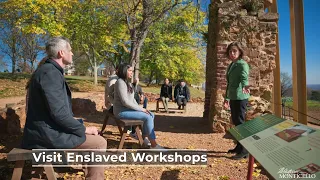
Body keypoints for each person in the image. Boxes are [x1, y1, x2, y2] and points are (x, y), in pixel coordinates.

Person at [22, 37, 107, 180]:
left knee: (90, 135)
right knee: (99, 143)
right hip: (45, 136)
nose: (72, 53)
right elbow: (59, 114)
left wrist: (78, 125)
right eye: (70, 50)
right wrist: (84, 129)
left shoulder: (49, 71)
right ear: (62, 53)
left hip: (44, 131)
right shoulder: (50, 73)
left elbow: (55, 112)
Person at [113, 63, 164, 149]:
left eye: (132, 71)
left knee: (151, 114)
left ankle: (144, 138)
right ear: (124, 70)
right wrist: (141, 110)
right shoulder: (120, 82)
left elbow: (132, 99)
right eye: (129, 70)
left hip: (127, 109)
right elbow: (125, 102)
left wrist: (141, 109)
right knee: (147, 117)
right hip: (121, 111)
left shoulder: (128, 83)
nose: (131, 73)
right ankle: (154, 145)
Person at [224, 41, 250, 160]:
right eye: (230, 51)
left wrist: (245, 86)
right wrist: (227, 98)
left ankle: (245, 151)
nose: (232, 53)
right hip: (233, 97)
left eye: (234, 51)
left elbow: (244, 77)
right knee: (236, 123)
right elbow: (229, 84)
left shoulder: (242, 64)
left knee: (240, 123)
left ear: (239, 52)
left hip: (241, 97)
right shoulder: (232, 65)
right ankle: (239, 147)